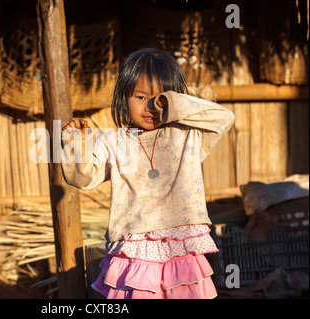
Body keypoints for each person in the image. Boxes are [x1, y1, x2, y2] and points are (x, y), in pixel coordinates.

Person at [60, 48, 235, 299]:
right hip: (134, 252)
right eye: (141, 97)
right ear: (124, 97)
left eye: (160, 98)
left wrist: (173, 104)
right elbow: (82, 177)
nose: (151, 106)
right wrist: (75, 142)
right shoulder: (113, 142)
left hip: (181, 247)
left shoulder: (187, 135)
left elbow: (223, 117)